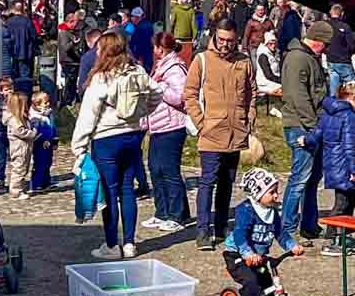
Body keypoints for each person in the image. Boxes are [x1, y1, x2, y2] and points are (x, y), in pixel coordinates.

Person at [71, 32, 148, 260]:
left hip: (106, 139)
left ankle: (112, 245)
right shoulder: (138, 72)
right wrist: (142, 114)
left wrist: (79, 146)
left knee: (110, 192)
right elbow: (156, 92)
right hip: (133, 136)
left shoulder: (101, 78)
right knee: (127, 190)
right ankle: (131, 243)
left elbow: (88, 115)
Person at [186, 18, 257, 250]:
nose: (225, 44)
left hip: (236, 131)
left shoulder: (244, 61)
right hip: (211, 132)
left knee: (228, 182)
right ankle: (203, 231)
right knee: (208, 181)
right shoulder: (202, 60)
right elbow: (190, 93)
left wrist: (250, 116)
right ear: (214, 37)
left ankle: (221, 226)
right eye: (222, 39)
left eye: (230, 40)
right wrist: (201, 122)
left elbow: (251, 92)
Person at [222, 169, 307, 296]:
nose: (276, 196)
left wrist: (292, 245)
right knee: (253, 283)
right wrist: (247, 253)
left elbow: (280, 233)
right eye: (272, 192)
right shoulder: (246, 210)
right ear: (257, 193)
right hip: (237, 256)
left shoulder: (272, 212)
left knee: (268, 285)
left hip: (258, 258)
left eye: (276, 192)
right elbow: (240, 234)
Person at [280, 21, 330, 243]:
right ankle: (288, 229)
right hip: (302, 126)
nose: (326, 49)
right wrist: (313, 127)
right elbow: (298, 96)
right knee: (300, 179)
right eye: (325, 45)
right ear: (318, 41)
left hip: (312, 125)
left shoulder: (308, 57)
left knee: (312, 179)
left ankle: (309, 224)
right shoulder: (298, 58)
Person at [142, 32, 192, 232]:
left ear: (160, 48)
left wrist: (159, 87)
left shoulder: (175, 68)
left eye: (155, 47)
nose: (153, 51)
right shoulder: (161, 66)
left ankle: (177, 214)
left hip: (172, 126)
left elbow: (180, 97)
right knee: (155, 169)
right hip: (157, 125)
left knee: (169, 170)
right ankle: (161, 211)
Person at [314, 80, 355, 253]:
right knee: (342, 202)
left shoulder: (329, 111)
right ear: (354, 97)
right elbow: (349, 146)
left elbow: (317, 133)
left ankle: (342, 234)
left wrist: (305, 141)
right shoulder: (349, 116)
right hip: (343, 164)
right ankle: (333, 240)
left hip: (331, 162)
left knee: (350, 198)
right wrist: (354, 170)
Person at [323, 3, 355, 96]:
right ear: (342, 13)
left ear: (331, 13)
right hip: (344, 61)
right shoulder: (345, 27)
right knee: (352, 89)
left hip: (330, 60)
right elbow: (352, 45)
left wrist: (327, 52)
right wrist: (350, 53)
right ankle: (351, 106)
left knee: (334, 88)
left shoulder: (325, 26)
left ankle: (333, 106)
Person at [2, 1, 39, 86]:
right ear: (22, 10)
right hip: (25, 52)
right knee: (25, 76)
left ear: (14, 10)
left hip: (12, 53)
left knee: (14, 75)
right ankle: (25, 94)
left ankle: (16, 93)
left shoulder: (8, 22)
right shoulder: (27, 21)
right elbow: (34, 36)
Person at [26, 89, 56, 195]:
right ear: (37, 105)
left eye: (48, 102)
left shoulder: (48, 114)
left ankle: (46, 182)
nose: (48, 104)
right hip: (40, 144)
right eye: (45, 103)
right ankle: (36, 184)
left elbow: (52, 128)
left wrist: (54, 140)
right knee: (40, 164)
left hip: (49, 143)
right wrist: (43, 140)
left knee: (48, 163)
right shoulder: (35, 118)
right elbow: (37, 132)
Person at [252, 29, 283, 104]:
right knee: (285, 88)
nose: (273, 46)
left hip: (275, 79)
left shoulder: (276, 53)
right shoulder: (263, 55)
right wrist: (282, 80)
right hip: (265, 82)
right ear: (266, 44)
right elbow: (268, 75)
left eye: (274, 43)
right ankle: (277, 106)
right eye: (270, 44)